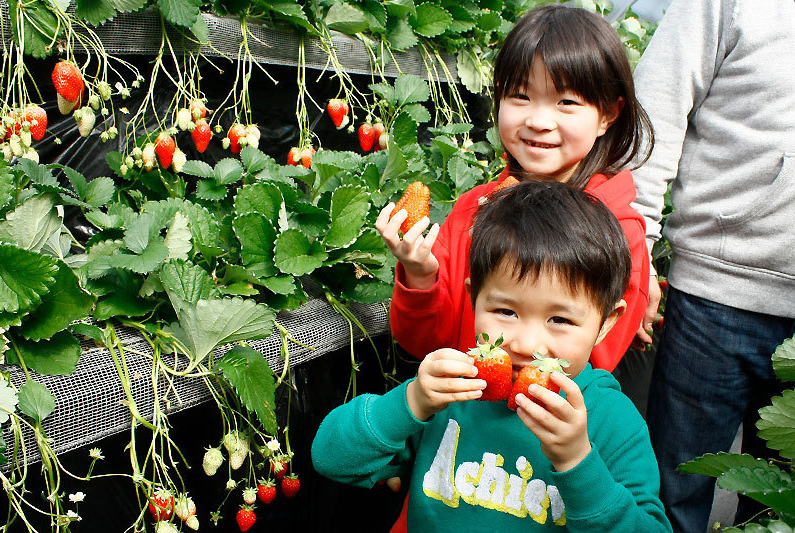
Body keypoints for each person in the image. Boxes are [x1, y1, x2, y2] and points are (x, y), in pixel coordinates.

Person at [314, 181, 672, 531]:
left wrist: (577, 461)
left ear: (606, 323)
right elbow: (332, 459)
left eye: (559, 319)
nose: (526, 343)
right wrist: (412, 401)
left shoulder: (608, 419)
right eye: (505, 311)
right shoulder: (452, 391)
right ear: (474, 300)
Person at [377, 4, 655, 373]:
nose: (538, 121)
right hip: (463, 416)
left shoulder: (619, 230)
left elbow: (596, 365)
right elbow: (425, 344)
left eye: (566, 102)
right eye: (521, 96)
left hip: (549, 424)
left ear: (608, 114)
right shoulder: (473, 209)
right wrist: (420, 274)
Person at [630, 0, 795, 531]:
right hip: (716, 295)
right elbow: (653, 113)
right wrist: (635, 260)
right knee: (672, 490)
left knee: (782, 507)